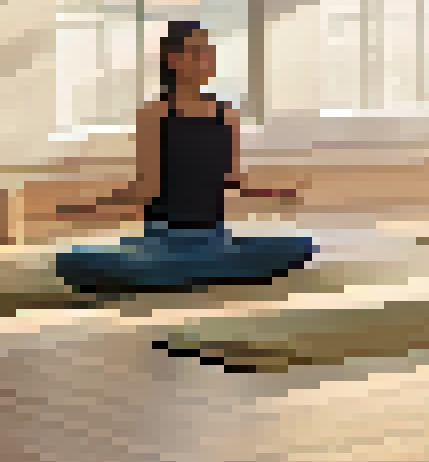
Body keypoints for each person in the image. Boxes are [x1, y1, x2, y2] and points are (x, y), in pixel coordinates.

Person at [54, 22, 318, 294]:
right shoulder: (155, 113)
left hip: (214, 238)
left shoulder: (227, 113)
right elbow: (146, 188)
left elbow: (233, 179)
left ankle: (196, 270)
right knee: (72, 259)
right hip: (163, 241)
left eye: (208, 51)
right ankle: (195, 271)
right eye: (197, 52)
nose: (207, 59)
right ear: (174, 60)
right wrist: (85, 207)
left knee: (303, 245)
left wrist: (282, 191)